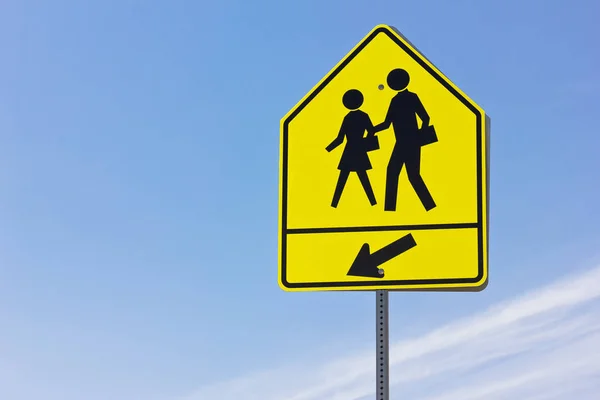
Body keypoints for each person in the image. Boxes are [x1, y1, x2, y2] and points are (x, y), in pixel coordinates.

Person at [373, 68, 437, 212]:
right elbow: (424, 118)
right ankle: (427, 206)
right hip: (406, 142)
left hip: (407, 142)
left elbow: (387, 123)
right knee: (403, 174)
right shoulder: (402, 99)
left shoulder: (401, 99)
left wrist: (372, 130)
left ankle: (428, 206)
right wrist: (372, 129)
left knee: (403, 174)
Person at [326, 89, 377, 208]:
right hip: (359, 149)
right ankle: (373, 202)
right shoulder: (364, 116)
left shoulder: (347, 118)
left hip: (349, 150)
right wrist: (365, 142)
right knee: (362, 177)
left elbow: (340, 138)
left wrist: (328, 149)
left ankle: (334, 204)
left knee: (343, 178)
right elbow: (371, 131)